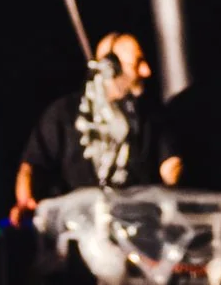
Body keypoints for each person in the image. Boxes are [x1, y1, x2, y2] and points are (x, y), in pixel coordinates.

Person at [11, 33, 182, 224]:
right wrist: (25, 199)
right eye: (137, 63)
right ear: (110, 68)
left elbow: (170, 164)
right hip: (77, 235)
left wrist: (176, 194)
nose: (146, 71)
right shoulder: (63, 113)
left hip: (136, 233)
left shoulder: (149, 115)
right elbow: (32, 164)